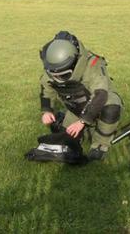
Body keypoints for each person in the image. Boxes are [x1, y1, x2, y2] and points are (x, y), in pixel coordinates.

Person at [38, 31, 122, 161]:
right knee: (67, 143)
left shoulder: (93, 65)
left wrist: (82, 121)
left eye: (63, 73)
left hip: (100, 103)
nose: (58, 77)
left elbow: (100, 95)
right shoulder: (53, 67)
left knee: (111, 106)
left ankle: (100, 144)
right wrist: (47, 110)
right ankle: (87, 130)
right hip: (76, 107)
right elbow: (46, 86)